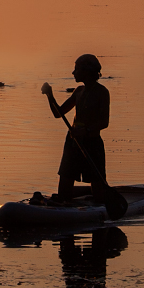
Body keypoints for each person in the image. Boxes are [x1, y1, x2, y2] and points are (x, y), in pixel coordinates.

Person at [40, 54, 112, 206]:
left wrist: (85, 131)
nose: (73, 73)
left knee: (97, 186)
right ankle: (64, 204)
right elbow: (58, 114)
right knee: (65, 184)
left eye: (77, 69)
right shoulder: (78, 91)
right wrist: (50, 95)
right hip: (73, 142)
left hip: (92, 143)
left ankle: (100, 204)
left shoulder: (102, 92)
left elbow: (104, 122)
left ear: (87, 71)